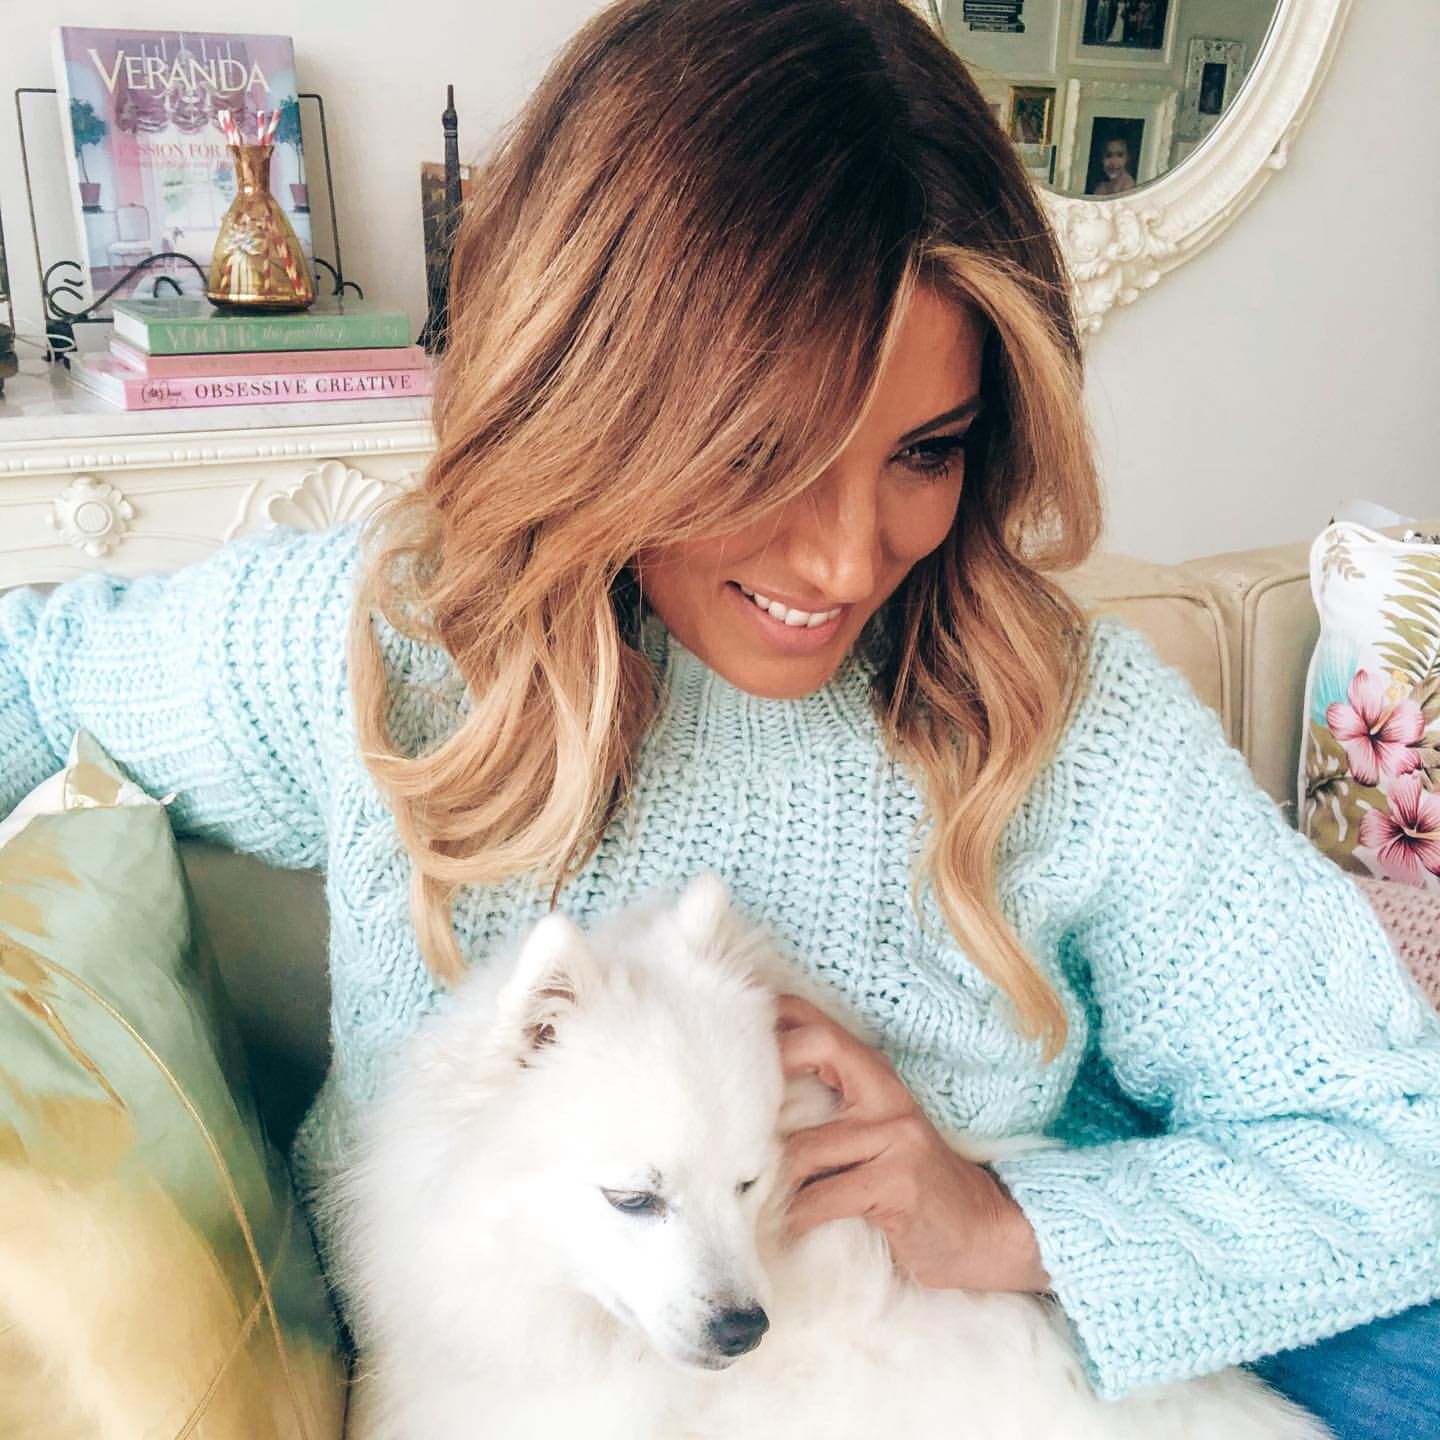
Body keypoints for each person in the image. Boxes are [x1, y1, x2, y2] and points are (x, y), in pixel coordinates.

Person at [1, 2, 1436, 1435]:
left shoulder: (1059, 721)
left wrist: (1004, 1222)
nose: (848, 562)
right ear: (597, 396)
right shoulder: (389, 651)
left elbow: (1402, 1141)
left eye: (926, 452)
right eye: (764, 452)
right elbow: (32, 676)